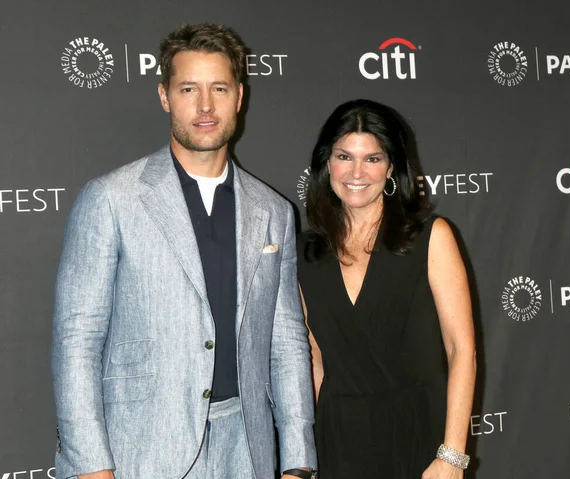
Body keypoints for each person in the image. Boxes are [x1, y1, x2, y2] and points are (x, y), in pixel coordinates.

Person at [52, 23, 317, 479]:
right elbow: (77, 341)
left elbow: (288, 341)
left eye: (219, 88)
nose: (205, 106)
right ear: (164, 96)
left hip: (246, 447)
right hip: (142, 446)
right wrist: (91, 467)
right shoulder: (111, 199)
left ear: (239, 96)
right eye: (188, 88)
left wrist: (297, 460)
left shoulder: (274, 210)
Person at [297, 99, 476, 478]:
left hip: (418, 440)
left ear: (392, 167)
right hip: (337, 445)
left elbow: (462, 350)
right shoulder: (306, 254)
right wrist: (304, 456)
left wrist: (452, 457)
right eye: (344, 156)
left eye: (373, 159)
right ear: (326, 163)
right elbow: (313, 361)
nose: (356, 172)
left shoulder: (431, 239)